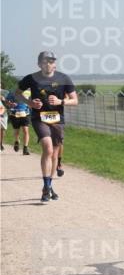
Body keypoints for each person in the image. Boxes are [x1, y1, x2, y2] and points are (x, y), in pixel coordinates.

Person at [17, 51, 78, 202]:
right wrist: (30, 103)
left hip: (57, 120)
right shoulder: (31, 78)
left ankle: (49, 186)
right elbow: (17, 93)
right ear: (39, 64)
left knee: (55, 154)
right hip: (39, 118)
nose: (48, 64)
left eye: (51, 61)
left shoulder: (64, 78)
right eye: (45, 61)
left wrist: (60, 102)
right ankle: (45, 187)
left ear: (55, 64)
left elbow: (75, 100)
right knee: (48, 148)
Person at [5, 87, 32, 155]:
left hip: (25, 113)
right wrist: (11, 104)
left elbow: (33, 101)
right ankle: (17, 141)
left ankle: (25, 148)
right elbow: (6, 101)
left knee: (25, 130)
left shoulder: (30, 92)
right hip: (15, 113)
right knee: (16, 131)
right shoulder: (12, 92)